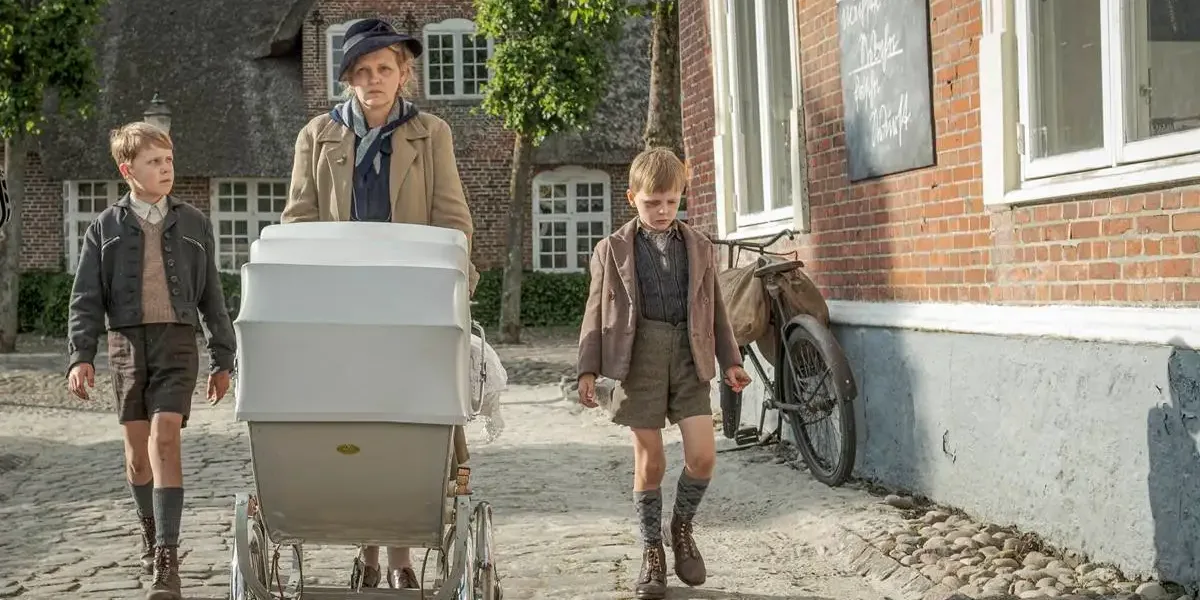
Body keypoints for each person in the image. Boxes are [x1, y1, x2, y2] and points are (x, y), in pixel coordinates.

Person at [281, 17, 479, 590]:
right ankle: (365, 550)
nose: (374, 79)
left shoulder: (430, 132)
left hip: (411, 304)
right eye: (363, 71)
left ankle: (399, 558)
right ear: (349, 78)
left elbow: (451, 217)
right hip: (339, 307)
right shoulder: (316, 135)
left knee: (406, 422)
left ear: (403, 74)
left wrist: (456, 281)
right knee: (353, 422)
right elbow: (298, 220)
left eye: (384, 69)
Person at [65, 121, 236, 600]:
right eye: (154, 162)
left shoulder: (196, 223)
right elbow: (85, 298)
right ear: (128, 170)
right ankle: (149, 529)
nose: (166, 169)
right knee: (137, 457)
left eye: (169, 160)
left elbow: (212, 296)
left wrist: (223, 358)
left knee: (165, 440)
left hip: (178, 343)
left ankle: (167, 557)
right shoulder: (105, 227)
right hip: (126, 347)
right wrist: (81, 356)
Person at [576, 147, 751, 599]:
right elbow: (595, 310)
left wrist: (731, 360)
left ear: (681, 197)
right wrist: (588, 368)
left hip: (691, 357)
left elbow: (715, 310)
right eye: (652, 202)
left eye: (671, 201)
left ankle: (682, 528)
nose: (662, 210)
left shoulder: (699, 246)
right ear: (632, 197)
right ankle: (651, 550)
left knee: (703, 456)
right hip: (639, 360)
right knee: (651, 460)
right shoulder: (611, 249)